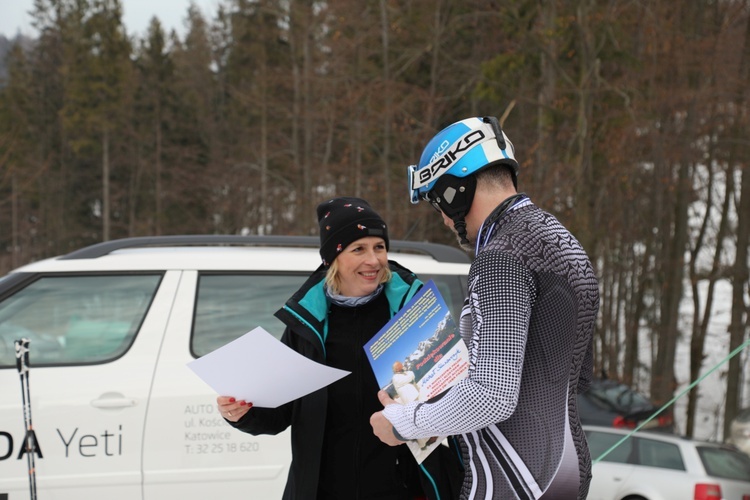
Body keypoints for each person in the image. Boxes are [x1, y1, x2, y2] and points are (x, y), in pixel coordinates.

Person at [370, 116, 600, 499]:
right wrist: (430, 389)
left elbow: (491, 395)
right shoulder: (562, 241)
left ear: (453, 190)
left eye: (437, 203)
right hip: (564, 467)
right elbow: (573, 375)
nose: (444, 219)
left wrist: (403, 422)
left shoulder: (501, 257)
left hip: (514, 479)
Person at [216, 197, 448, 500]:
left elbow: (450, 398)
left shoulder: (412, 312)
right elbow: (281, 412)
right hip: (322, 490)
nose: (374, 260)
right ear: (332, 258)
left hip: (402, 487)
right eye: (359, 249)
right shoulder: (308, 323)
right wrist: (242, 413)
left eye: (379, 247)